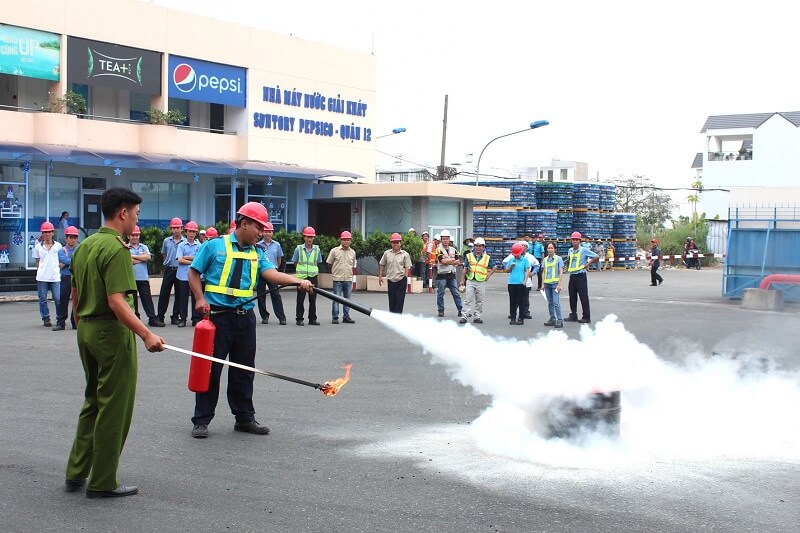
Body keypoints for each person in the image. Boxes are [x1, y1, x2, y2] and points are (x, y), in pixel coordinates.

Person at [64, 187, 165, 499]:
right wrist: (146, 334)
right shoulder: (118, 249)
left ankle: (76, 471)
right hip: (110, 331)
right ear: (123, 212)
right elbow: (117, 301)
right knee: (114, 407)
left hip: (86, 328)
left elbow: (75, 294)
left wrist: (83, 325)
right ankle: (103, 480)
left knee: (93, 399)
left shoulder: (85, 246)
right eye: (135, 213)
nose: (136, 219)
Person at [188, 202, 312, 439]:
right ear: (243, 223)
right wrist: (199, 298)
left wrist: (298, 281)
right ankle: (201, 420)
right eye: (258, 227)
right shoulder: (215, 246)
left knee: (244, 371)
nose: (261, 232)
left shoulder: (257, 253)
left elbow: (272, 275)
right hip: (217, 318)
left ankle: (244, 418)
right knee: (211, 370)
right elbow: (193, 272)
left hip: (245, 320)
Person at [255, 222, 287, 325]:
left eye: (269, 232)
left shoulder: (277, 245)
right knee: (261, 295)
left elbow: (279, 260)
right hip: (261, 273)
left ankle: (281, 317)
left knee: (275, 295)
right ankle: (264, 316)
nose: (267, 234)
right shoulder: (258, 245)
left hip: (273, 272)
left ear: (272, 233)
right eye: (265, 231)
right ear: (262, 233)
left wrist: (275, 269)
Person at [458, 237, 495, 324]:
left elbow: (494, 266)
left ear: (483, 247)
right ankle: (464, 316)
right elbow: (465, 268)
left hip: (481, 281)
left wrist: (488, 275)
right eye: (477, 246)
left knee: (480, 300)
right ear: (474, 246)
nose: (478, 248)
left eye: (480, 246)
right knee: (468, 299)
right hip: (470, 280)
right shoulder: (469, 256)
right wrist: (462, 280)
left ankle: (477, 316)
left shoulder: (487, 258)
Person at [564, 231, 599, 324]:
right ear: (571, 241)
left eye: (577, 240)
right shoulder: (570, 250)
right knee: (572, 296)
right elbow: (569, 260)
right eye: (573, 240)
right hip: (572, 276)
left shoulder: (584, 250)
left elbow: (596, 257)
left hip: (581, 275)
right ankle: (573, 314)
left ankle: (586, 316)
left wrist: (587, 264)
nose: (575, 241)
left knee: (583, 296)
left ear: (579, 241)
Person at [156, 217, 185, 326]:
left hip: (180, 269)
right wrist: (167, 262)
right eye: (174, 228)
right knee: (164, 293)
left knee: (179, 294)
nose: (176, 230)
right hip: (169, 269)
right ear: (171, 229)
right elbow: (164, 254)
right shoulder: (166, 241)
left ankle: (175, 316)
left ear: (181, 228)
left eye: (178, 228)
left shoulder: (185, 241)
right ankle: (160, 316)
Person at [129, 226, 160, 326]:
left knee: (147, 299)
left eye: (136, 235)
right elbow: (128, 261)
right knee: (133, 301)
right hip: (131, 278)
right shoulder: (125, 247)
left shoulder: (144, 247)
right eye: (133, 235)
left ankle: (152, 318)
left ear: (139, 236)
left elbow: (148, 257)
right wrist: (142, 258)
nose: (135, 237)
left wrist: (134, 257)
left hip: (143, 278)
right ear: (129, 236)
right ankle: (135, 319)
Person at [292, 226, 322, 326]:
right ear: (304, 237)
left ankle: (312, 319)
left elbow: (318, 262)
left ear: (314, 238)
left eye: (311, 237)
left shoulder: (317, 249)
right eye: (307, 237)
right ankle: (299, 318)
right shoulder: (298, 249)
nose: (309, 239)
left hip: (313, 276)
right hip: (301, 277)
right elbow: (295, 262)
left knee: (313, 299)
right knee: (300, 298)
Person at [33, 221, 62, 328]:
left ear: (53, 233)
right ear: (42, 234)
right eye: (45, 232)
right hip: (42, 277)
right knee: (42, 299)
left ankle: (60, 318)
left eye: (49, 232)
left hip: (55, 277)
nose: (47, 234)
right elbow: (37, 261)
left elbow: (61, 259)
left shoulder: (58, 246)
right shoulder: (38, 247)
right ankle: (46, 318)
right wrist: (39, 272)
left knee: (58, 299)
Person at [326, 230, 357, 323]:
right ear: (340, 240)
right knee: (336, 299)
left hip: (348, 279)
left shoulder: (353, 252)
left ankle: (346, 317)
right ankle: (335, 317)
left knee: (347, 300)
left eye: (348, 240)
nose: (346, 241)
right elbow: (329, 263)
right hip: (337, 279)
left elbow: (353, 264)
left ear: (350, 241)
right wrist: (335, 271)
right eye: (344, 239)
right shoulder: (334, 251)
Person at [378, 232, 412, 313]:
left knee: (400, 301)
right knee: (392, 300)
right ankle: (392, 317)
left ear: (400, 243)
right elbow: (382, 264)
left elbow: (407, 266)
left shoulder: (405, 254)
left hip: (401, 280)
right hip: (391, 280)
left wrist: (405, 277)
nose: (396, 244)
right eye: (394, 242)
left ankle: (398, 319)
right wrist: (380, 276)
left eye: (397, 242)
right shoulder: (387, 253)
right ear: (391, 243)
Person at [54, 225, 80, 331]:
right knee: (63, 300)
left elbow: (74, 261)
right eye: (70, 237)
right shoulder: (61, 250)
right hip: (65, 277)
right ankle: (61, 322)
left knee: (76, 300)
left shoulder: (80, 249)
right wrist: (73, 261)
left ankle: (75, 322)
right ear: (66, 238)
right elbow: (66, 260)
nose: (72, 239)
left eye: (74, 237)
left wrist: (67, 262)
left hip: (76, 277)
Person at [176, 221, 201, 327]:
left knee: (195, 298)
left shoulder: (199, 245)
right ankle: (182, 319)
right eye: (190, 231)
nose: (192, 234)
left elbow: (200, 260)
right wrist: (193, 260)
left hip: (195, 276)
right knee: (183, 298)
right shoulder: (181, 245)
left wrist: (187, 257)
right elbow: (180, 260)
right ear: (186, 232)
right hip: (182, 276)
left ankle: (195, 318)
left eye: (194, 232)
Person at [434, 229, 463, 318]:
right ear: (441, 239)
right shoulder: (438, 250)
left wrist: (449, 261)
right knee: (441, 294)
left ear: (449, 239)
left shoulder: (453, 250)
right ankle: (441, 310)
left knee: (456, 293)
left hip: (451, 274)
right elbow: (442, 261)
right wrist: (452, 261)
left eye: (447, 239)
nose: (445, 240)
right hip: (442, 275)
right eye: (443, 239)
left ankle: (461, 310)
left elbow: (458, 261)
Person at [502, 242, 530, 325]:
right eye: (515, 254)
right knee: (512, 301)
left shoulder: (525, 260)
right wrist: (511, 266)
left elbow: (527, 271)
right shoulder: (511, 260)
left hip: (521, 283)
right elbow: (507, 271)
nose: (516, 255)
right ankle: (513, 317)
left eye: (517, 254)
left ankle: (521, 318)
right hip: (511, 283)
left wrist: (525, 281)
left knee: (521, 301)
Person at [541, 242, 565, 328]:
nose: (550, 250)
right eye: (548, 248)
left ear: (555, 249)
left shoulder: (558, 259)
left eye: (552, 248)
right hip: (547, 284)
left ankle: (560, 320)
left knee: (556, 303)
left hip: (555, 284)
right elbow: (543, 272)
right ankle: (552, 318)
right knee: (550, 303)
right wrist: (543, 284)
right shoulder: (545, 260)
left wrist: (559, 284)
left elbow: (561, 271)